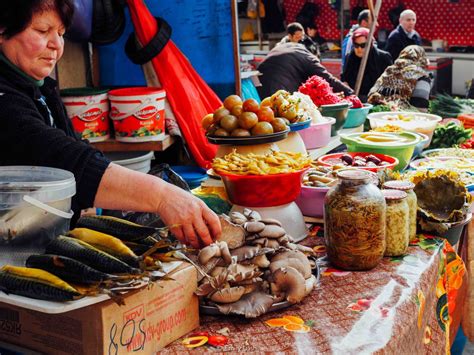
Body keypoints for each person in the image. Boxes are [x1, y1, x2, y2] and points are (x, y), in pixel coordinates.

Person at [0, 0, 221, 249]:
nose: (56, 45)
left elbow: (74, 144)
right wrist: (161, 197)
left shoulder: (41, 89)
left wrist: (90, 201)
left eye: (61, 34)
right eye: (42, 31)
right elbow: (59, 156)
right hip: (12, 250)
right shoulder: (5, 100)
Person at [257, 42, 353, 99]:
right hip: (279, 93)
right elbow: (326, 79)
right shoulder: (308, 57)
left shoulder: (289, 47)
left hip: (258, 92)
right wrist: (350, 93)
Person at [368, 45, 431, 110]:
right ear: (422, 58)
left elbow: (371, 94)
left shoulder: (388, 71)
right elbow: (421, 108)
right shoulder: (421, 75)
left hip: (377, 114)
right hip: (404, 117)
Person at [341, 28, 392, 101]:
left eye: (363, 45)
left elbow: (390, 83)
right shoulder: (350, 57)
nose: (359, 49)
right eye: (356, 45)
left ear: (370, 44)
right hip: (356, 100)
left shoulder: (383, 57)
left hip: (378, 100)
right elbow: (344, 78)